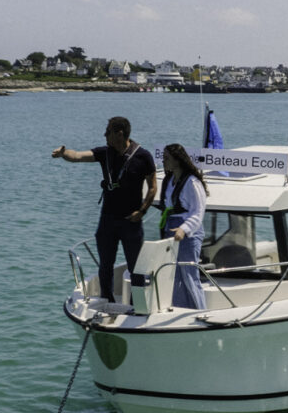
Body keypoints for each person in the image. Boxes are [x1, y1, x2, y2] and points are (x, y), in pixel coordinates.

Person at [52, 117, 157, 302]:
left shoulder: (143, 156)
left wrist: (142, 211)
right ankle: (106, 301)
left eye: (107, 131)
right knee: (105, 266)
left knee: (136, 268)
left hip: (131, 222)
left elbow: (153, 187)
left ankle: (138, 304)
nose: (104, 135)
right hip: (108, 220)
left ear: (119, 133)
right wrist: (63, 153)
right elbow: (77, 156)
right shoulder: (105, 153)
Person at [159, 143, 209, 310]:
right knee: (174, 274)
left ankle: (199, 311)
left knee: (189, 274)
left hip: (188, 233)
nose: (163, 161)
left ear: (177, 160)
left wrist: (184, 229)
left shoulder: (192, 182)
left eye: (167, 158)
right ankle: (180, 309)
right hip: (170, 229)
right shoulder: (169, 180)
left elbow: (198, 211)